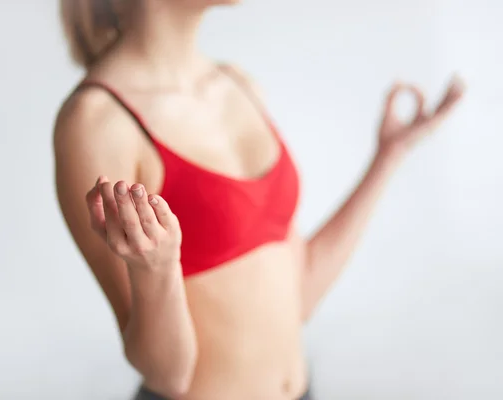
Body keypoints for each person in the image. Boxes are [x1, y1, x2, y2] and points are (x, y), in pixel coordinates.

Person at [53, 1, 465, 399]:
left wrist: (387, 159)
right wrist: (157, 270)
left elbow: (298, 292)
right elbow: (168, 375)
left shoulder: (239, 85)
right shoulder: (95, 123)